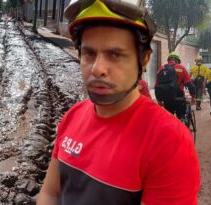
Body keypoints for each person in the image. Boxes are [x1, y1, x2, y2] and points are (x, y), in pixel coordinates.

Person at [37, 0, 200, 204]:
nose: (97, 68)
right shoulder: (73, 116)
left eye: (115, 55)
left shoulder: (169, 142)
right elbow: (50, 194)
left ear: (144, 61)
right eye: (89, 53)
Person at [155, 52, 196, 120]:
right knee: (181, 118)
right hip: (179, 99)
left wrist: (159, 100)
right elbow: (190, 85)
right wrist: (193, 97)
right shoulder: (181, 68)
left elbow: (157, 86)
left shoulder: (161, 69)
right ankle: (182, 123)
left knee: (169, 119)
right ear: (178, 61)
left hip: (166, 100)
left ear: (168, 60)